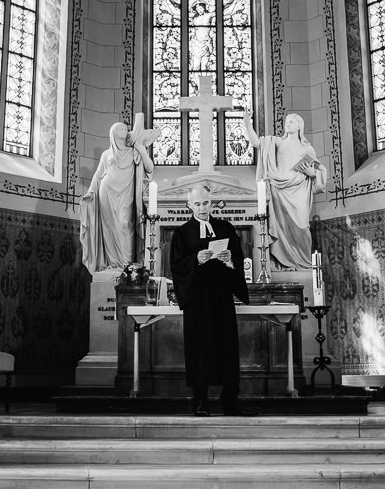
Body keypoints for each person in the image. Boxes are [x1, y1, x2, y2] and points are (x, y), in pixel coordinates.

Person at [169, 183, 256, 417]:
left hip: (221, 297)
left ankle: (231, 402)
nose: (202, 208)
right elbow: (176, 267)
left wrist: (229, 260)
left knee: (227, 347)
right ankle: (201, 403)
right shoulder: (182, 233)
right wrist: (195, 259)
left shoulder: (225, 228)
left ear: (212, 202)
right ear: (189, 205)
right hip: (197, 300)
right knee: (200, 349)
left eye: (206, 202)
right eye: (197, 204)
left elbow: (239, 258)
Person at [243, 109, 325, 270]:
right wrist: (247, 121)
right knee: (280, 229)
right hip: (278, 190)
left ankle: (304, 263)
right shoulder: (277, 142)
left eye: (291, 122)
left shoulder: (307, 149)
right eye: (286, 122)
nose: (287, 124)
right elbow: (256, 143)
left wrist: (312, 173)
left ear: (299, 126)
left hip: (299, 191)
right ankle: (284, 263)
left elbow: (320, 170)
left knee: (302, 226)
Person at [79, 115, 155, 274]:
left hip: (126, 193)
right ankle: (112, 264)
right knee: (109, 229)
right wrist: (90, 193)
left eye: (125, 128)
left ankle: (126, 267)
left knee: (124, 224)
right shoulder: (107, 154)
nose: (124, 129)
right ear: (112, 134)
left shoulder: (134, 151)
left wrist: (141, 149)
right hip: (106, 193)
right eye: (120, 128)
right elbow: (98, 175)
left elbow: (149, 168)